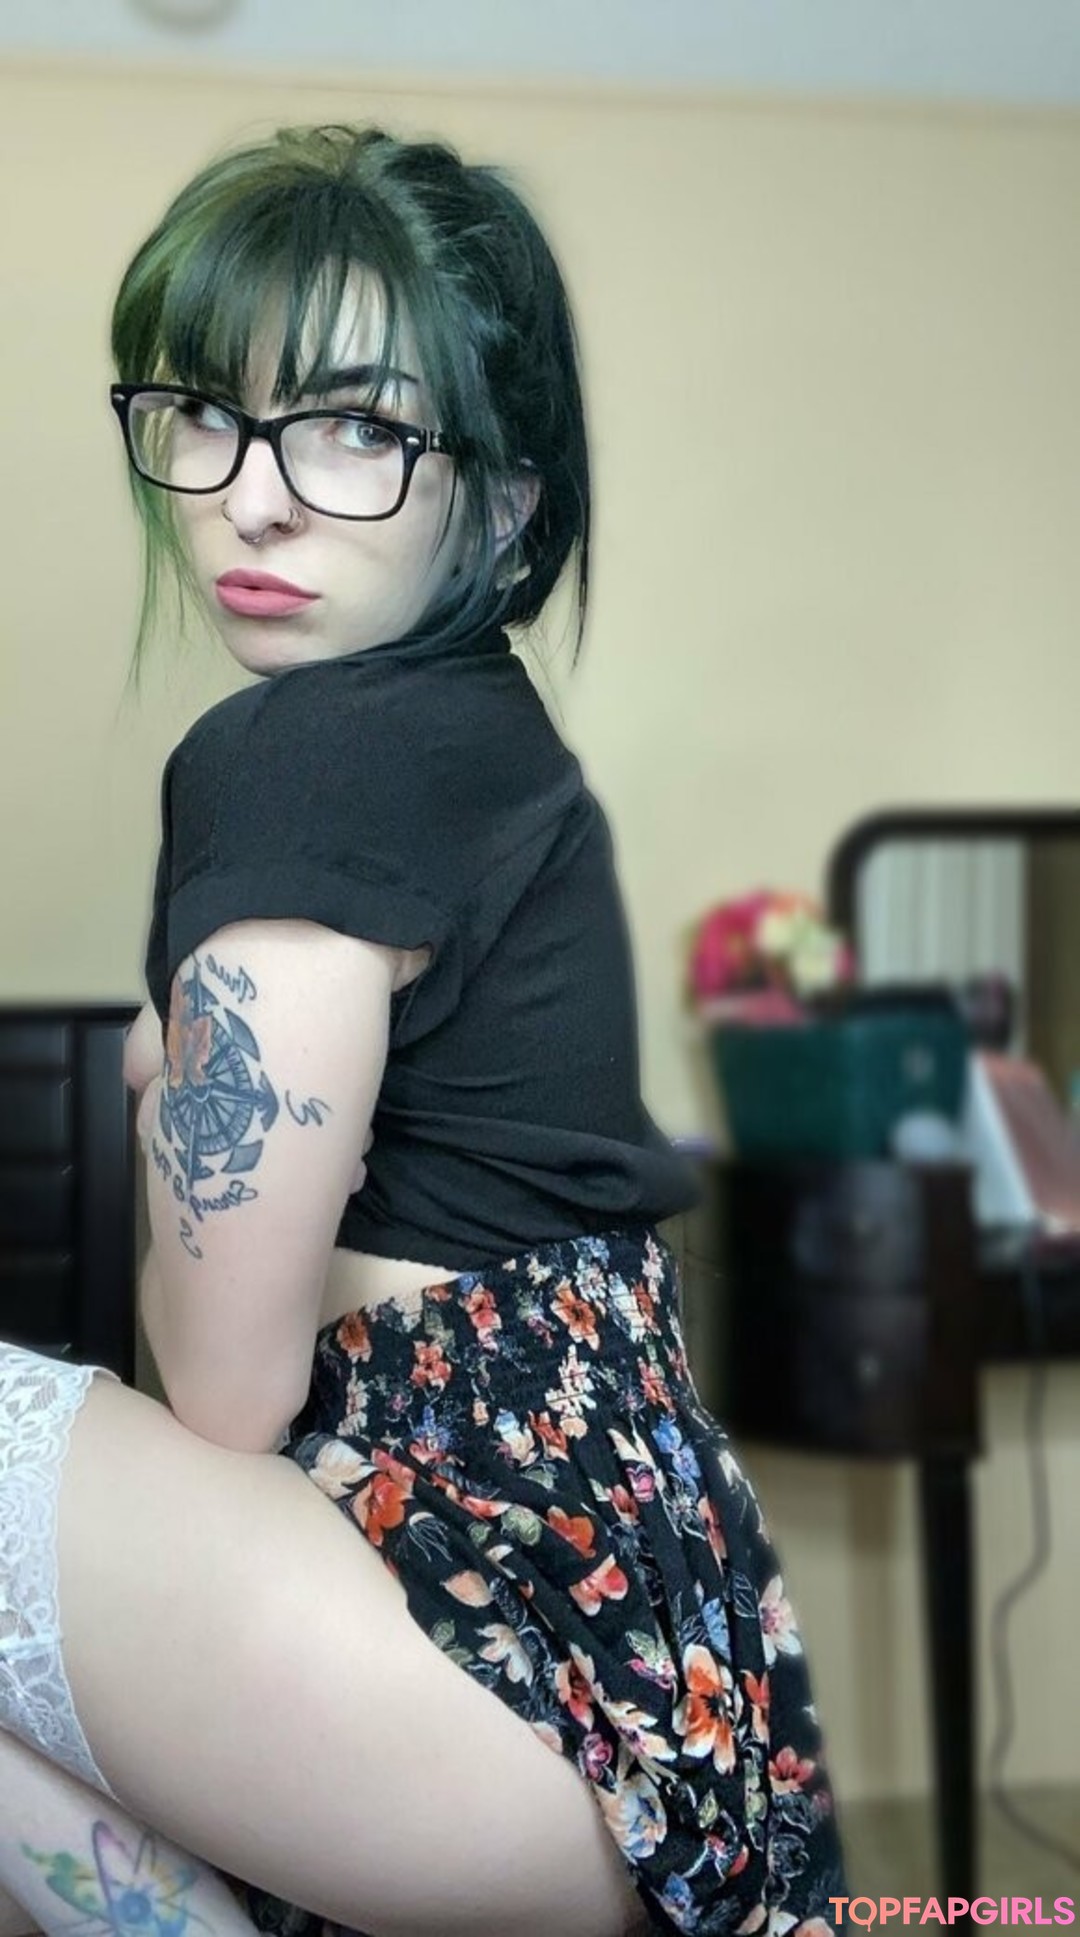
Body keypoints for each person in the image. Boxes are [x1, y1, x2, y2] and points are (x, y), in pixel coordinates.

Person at [0, 124, 845, 1937]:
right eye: (206, 412)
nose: (253, 496)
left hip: (479, 1651)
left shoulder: (306, 755)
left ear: (508, 503)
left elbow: (221, 1388)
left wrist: (163, 1091)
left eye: (358, 429)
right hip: (658, 1694)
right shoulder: (486, 739)